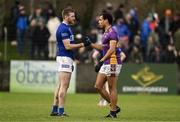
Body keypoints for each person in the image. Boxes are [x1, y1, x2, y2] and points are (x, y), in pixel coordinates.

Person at [50, 8, 91, 117]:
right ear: (66, 17)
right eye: (72, 16)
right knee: (64, 86)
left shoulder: (67, 28)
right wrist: (82, 44)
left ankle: (55, 109)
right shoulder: (63, 29)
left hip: (65, 57)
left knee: (60, 85)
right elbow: (67, 46)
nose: (74, 18)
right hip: (64, 57)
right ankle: (61, 111)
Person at [90, 12, 125, 118]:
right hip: (106, 62)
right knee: (98, 86)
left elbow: (112, 49)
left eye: (101, 19)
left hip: (113, 62)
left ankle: (113, 112)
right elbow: (103, 47)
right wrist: (91, 44)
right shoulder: (106, 32)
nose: (99, 21)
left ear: (106, 20)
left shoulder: (112, 32)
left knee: (112, 87)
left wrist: (101, 60)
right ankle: (115, 107)